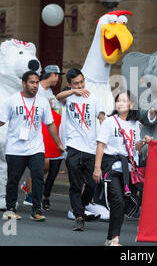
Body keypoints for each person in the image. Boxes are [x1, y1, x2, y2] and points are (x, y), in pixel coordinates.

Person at [0, 70, 65, 221]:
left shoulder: (43, 102)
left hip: (36, 148)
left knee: (38, 177)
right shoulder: (12, 100)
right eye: (32, 82)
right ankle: (10, 208)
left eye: (37, 82)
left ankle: (36, 210)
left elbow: (50, 124)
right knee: (13, 179)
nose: (35, 85)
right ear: (24, 83)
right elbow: (0, 121)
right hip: (15, 148)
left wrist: (59, 144)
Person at [93, 90, 153, 246]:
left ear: (131, 105)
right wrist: (97, 168)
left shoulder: (136, 125)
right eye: (118, 100)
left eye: (123, 101)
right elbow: (101, 145)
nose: (120, 103)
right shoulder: (109, 122)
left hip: (128, 171)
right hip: (111, 168)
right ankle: (115, 239)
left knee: (122, 204)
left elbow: (135, 148)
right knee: (117, 201)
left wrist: (143, 142)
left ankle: (110, 238)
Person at [56, 68, 105, 231]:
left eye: (82, 81)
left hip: (91, 148)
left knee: (92, 183)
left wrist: (104, 123)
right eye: (76, 83)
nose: (81, 85)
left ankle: (81, 205)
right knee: (76, 185)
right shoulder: (68, 98)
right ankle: (78, 216)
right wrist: (73, 92)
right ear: (70, 84)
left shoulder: (93, 97)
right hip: (74, 147)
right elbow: (57, 97)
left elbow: (101, 115)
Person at [23, 65, 64, 207]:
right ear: (52, 74)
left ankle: (30, 187)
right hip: (35, 131)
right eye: (57, 75)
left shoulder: (50, 91)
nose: (58, 79)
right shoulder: (36, 88)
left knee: (47, 166)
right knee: (43, 163)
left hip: (48, 131)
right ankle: (29, 190)